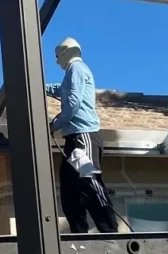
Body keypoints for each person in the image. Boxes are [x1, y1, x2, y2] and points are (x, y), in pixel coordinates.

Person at [45, 37, 119, 234]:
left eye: (56, 56)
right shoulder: (75, 71)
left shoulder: (76, 69)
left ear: (65, 52)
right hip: (75, 138)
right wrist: (42, 87)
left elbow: (73, 102)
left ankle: (109, 228)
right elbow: (64, 91)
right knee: (70, 188)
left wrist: (55, 124)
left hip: (83, 136)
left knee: (89, 180)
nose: (56, 61)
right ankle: (79, 231)